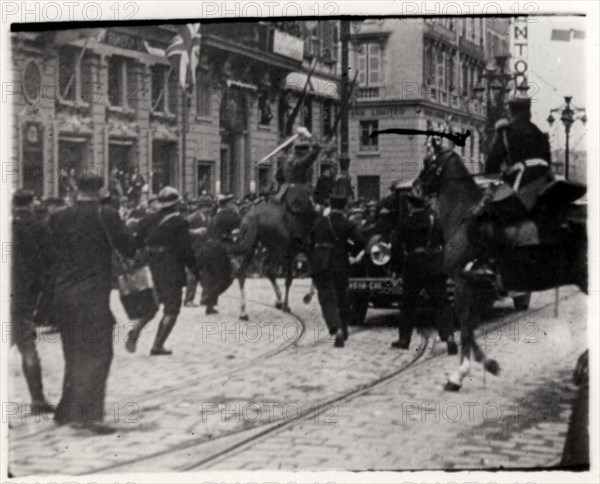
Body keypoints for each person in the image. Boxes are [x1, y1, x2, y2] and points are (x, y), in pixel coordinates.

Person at [49, 172, 136, 434]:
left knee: (72, 351)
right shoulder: (106, 214)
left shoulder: (58, 216)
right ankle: (89, 416)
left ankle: (67, 410)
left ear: (76, 188)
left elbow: (47, 254)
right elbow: (128, 248)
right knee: (98, 353)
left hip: (63, 294)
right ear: (101, 189)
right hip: (92, 296)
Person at [126, 187, 199, 355]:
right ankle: (157, 346)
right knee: (172, 309)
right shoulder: (180, 222)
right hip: (171, 268)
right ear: (177, 203)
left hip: (150, 266)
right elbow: (185, 250)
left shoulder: (148, 219)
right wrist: (194, 269)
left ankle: (136, 329)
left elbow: (137, 242)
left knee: (151, 305)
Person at [391, 192, 456, 354]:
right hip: (434, 265)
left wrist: (396, 271)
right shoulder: (435, 220)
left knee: (408, 304)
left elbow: (397, 248)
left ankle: (404, 339)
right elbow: (444, 242)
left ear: (411, 206)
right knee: (442, 303)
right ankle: (449, 338)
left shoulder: (405, 222)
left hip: (413, 266)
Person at [10, 189, 55, 415]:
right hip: (21, 298)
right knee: (28, 349)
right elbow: (46, 263)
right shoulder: (37, 226)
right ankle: (37, 400)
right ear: (30, 204)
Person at [309, 195, 364, 348]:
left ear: (331, 207)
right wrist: (350, 253)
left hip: (321, 264)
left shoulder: (319, 221)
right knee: (342, 297)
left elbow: (310, 241)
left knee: (327, 299)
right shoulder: (347, 223)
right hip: (340, 264)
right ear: (345, 207)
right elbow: (360, 242)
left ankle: (335, 327)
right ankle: (344, 330)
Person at [199, 194, 239, 314]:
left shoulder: (213, 217)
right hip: (220, 250)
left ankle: (210, 306)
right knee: (227, 278)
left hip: (206, 248)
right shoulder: (229, 216)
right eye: (232, 203)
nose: (234, 205)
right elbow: (240, 228)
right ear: (227, 204)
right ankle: (208, 297)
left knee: (211, 278)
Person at [184, 195, 213, 308]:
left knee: (207, 274)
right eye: (208, 206)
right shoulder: (193, 218)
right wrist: (195, 231)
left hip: (205, 249)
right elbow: (183, 231)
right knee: (192, 275)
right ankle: (188, 300)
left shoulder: (208, 218)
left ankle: (204, 299)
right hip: (194, 250)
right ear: (202, 207)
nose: (210, 209)